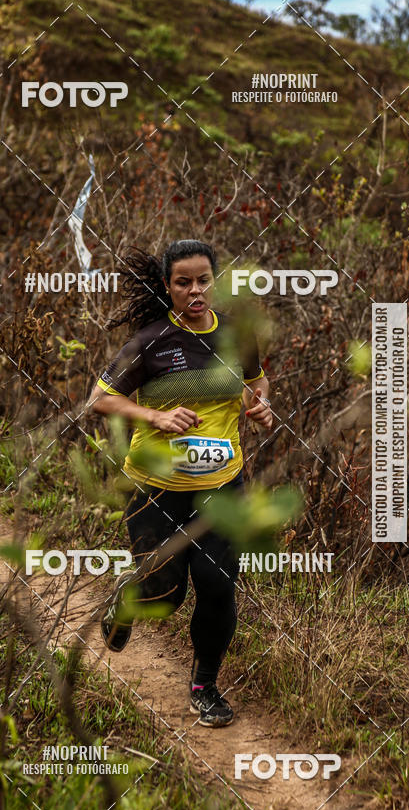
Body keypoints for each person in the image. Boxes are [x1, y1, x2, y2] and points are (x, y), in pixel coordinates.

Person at [88, 239, 272, 727]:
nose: (195, 291)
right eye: (183, 282)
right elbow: (100, 400)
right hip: (156, 487)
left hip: (221, 486)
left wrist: (260, 405)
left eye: (203, 281)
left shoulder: (237, 335)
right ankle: (126, 599)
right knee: (166, 594)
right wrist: (153, 414)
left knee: (217, 585)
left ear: (216, 281)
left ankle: (204, 686)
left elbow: (257, 380)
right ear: (167, 286)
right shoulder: (150, 341)